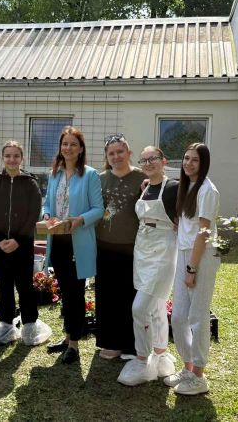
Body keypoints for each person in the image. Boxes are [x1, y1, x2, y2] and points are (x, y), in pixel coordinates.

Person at [117, 146, 179, 386]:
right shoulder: (145, 188)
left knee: (140, 308)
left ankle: (142, 361)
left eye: (153, 158)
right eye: (144, 160)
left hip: (163, 251)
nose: (148, 163)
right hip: (143, 250)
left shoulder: (173, 188)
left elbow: (186, 218)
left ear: (163, 161)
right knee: (157, 305)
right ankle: (160, 356)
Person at [42, 127, 104, 364]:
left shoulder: (90, 175)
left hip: (78, 243)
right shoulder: (54, 174)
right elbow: (47, 203)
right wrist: (47, 215)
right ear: (60, 147)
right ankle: (68, 337)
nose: (68, 148)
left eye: (73, 144)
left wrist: (80, 220)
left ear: (81, 149)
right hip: (57, 241)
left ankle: (75, 345)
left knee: (75, 293)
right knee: (65, 291)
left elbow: (98, 209)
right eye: (65, 144)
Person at [0, 140, 53, 346]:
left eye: (16, 156)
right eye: (8, 156)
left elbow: (33, 214)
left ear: (22, 158)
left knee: (24, 285)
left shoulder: (30, 184)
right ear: (3, 158)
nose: (12, 160)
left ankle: (29, 325)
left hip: (22, 244)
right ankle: (6, 325)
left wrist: (18, 240)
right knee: (4, 285)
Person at [163, 143, 220, 395]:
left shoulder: (208, 190)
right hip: (184, 253)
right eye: (186, 158)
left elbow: (204, 233)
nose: (188, 163)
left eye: (194, 160)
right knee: (178, 316)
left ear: (203, 163)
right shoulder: (187, 187)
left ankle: (199, 375)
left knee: (197, 317)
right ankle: (187, 368)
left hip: (201, 257)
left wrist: (192, 268)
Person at [95, 134, 146, 360]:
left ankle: (130, 344)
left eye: (120, 152)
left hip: (132, 247)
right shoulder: (99, 179)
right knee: (107, 296)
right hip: (104, 246)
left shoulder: (142, 178)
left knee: (129, 296)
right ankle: (111, 342)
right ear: (107, 157)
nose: (116, 156)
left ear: (129, 153)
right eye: (111, 153)